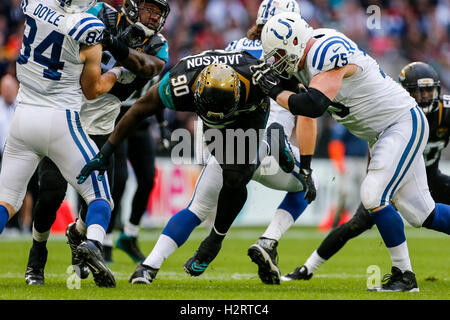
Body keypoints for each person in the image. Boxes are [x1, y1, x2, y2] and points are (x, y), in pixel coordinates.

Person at [252, 12, 450, 292]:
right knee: (423, 213)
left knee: (372, 195)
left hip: (400, 124)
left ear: (296, 41)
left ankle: (404, 277)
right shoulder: (305, 59)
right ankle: (403, 276)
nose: (278, 60)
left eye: (281, 53)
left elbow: (313, 105)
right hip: (383, 134)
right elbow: (295, 95)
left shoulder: (325, 50)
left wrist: (271, 89)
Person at [127, 0, 316, 286]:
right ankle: (268, 241)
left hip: (228, 141)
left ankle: (148, 266)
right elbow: (307, 112)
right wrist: (306, 165)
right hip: (268, 146)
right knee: (304, 186)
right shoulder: (292, 55)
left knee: (197, 208)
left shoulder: (232, 47)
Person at [77, 51, 300, 282]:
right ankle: (150, 265)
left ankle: (214, 240)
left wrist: (305, 94)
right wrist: (105, 152)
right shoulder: (181, 83)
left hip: (249, 113)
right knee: (206, 196)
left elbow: (294, 85)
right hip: (212, 107)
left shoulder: (254, 78)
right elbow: (139, 109)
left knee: (236, 177)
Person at [23, 0, 170, 284]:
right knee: (51, 193)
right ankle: (37, 253)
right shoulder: (98, 13)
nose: (153, 16)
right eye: (148, 9)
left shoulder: (158, 44)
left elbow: (147, 67)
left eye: (158, 12)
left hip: (103, 123)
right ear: (130, 6)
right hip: (66, 113)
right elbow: (64, 28)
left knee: (104, 196)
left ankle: (81, 235)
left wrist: (113, 44)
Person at [280, 62, 450, 288]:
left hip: (430, 176)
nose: (425, 96)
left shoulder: (442, 111)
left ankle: (404, 276)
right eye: (419, 90)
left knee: (424, 214)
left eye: (429, 90)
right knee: (361, 218)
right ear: (404, 91)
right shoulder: (393, 110)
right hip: (395, 176)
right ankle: (308, 267)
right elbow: (377, 149)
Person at [0, 0, 125, 287]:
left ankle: (39, 261)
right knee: (101, 195)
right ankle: (93, 243)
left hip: (22, 116)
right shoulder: (89, 28)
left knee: (6, 201)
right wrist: (118, 72)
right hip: (60, 120)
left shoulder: (34, 3)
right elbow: (92, 91)